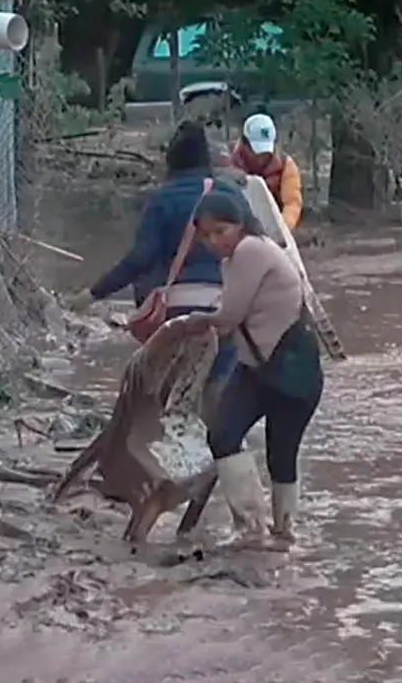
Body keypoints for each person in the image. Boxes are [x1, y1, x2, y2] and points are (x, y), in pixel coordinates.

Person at [164, 186, 325, 546]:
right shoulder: (239, 257)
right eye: (206, 235)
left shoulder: (251, 250)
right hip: (260, 367)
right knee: (226, 436)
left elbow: (229, 315)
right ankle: (260, 530)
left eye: (221, 231)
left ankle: (275, 533)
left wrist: (192, 322)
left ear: (241, 225)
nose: (214, 241)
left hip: (288, 369)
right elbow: (232, 312)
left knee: (276, 453)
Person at [65, 121, 237, 388]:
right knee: (221, 390)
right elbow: (260, 247)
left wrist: (91, 294)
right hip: (226, 309)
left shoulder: (163, 199)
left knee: (171, 390)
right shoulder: (232, 195)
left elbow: (140, 258)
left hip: (178, 314)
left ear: (171, 162)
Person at [229, 112, 304, 231]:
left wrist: (282, 229)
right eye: (256, 151)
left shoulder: (286, 166)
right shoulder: (228, 163)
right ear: (244, 143)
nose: (261, 157)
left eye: (266, 152)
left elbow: (292, 203)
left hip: (272, 226)